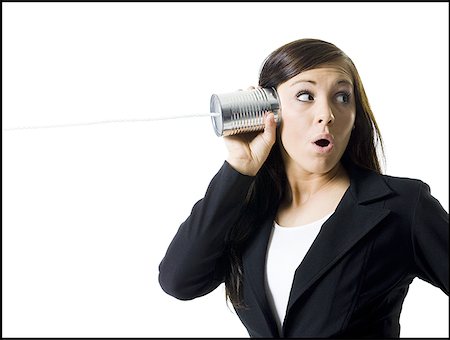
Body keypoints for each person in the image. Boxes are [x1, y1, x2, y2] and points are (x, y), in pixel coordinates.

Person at [158, 38, 449, 338]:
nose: (327, 114)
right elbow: (179, 280)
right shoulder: (249, 213)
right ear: (267, 109)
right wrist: (239, 168)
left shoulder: (400, 206)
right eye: (306, 95)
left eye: (342, 97)